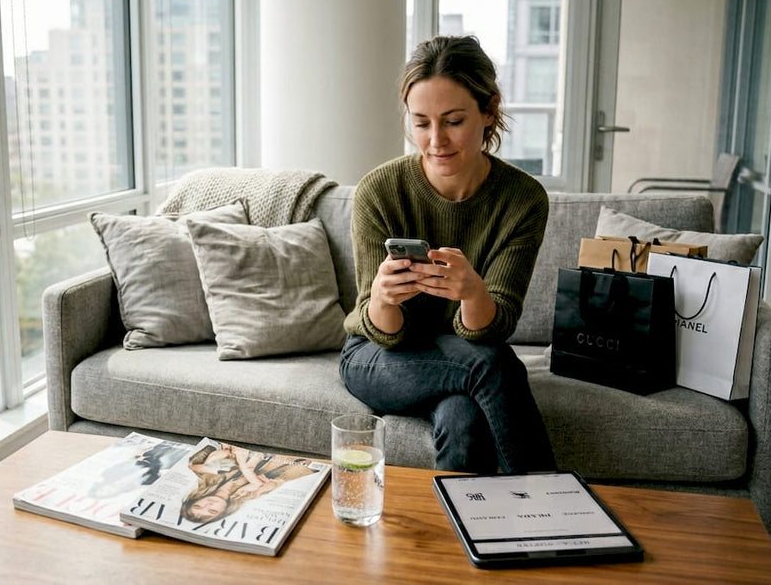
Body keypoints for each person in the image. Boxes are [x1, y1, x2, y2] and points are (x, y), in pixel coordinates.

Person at [339, 35, 557, 475]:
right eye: (421, 123)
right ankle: (549, 500)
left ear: (489, 110)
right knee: (492, 365)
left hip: (466, 354)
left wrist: (473, 294)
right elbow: (381, 331)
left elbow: (496, 325)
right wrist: (383, 298)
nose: (435, 140)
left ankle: (454, 521)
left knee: (463, 420)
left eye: (454, 121)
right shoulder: (379, 191)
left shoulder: (523, 199)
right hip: (377, 355)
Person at [180, 443, 318, 523]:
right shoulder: (248, 495)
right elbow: (264, 483)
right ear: (223, 511)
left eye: (198, 505)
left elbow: (197, 463)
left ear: (194, 499)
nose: (208, 504)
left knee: (214, 460)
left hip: (248, 449)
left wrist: (223, 460)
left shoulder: (207, 480)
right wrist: (245, 467)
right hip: (279, 457)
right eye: (212, 510)